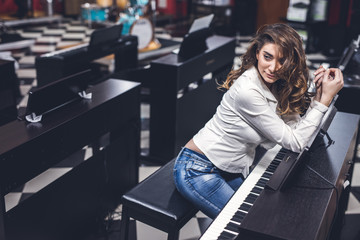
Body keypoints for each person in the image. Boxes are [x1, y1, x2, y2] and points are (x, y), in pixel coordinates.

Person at [173, 23, 344, 219]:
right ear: (257, 53)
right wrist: (324, 101)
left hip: (229, 168)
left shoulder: (277, 82)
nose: (273, 68)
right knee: (248, 224)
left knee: (268, 215)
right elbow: (296, 142)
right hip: (198, 168)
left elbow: (296, 131)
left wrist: (319, 95)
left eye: (282, 60)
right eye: (267, 57)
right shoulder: (248, 91)